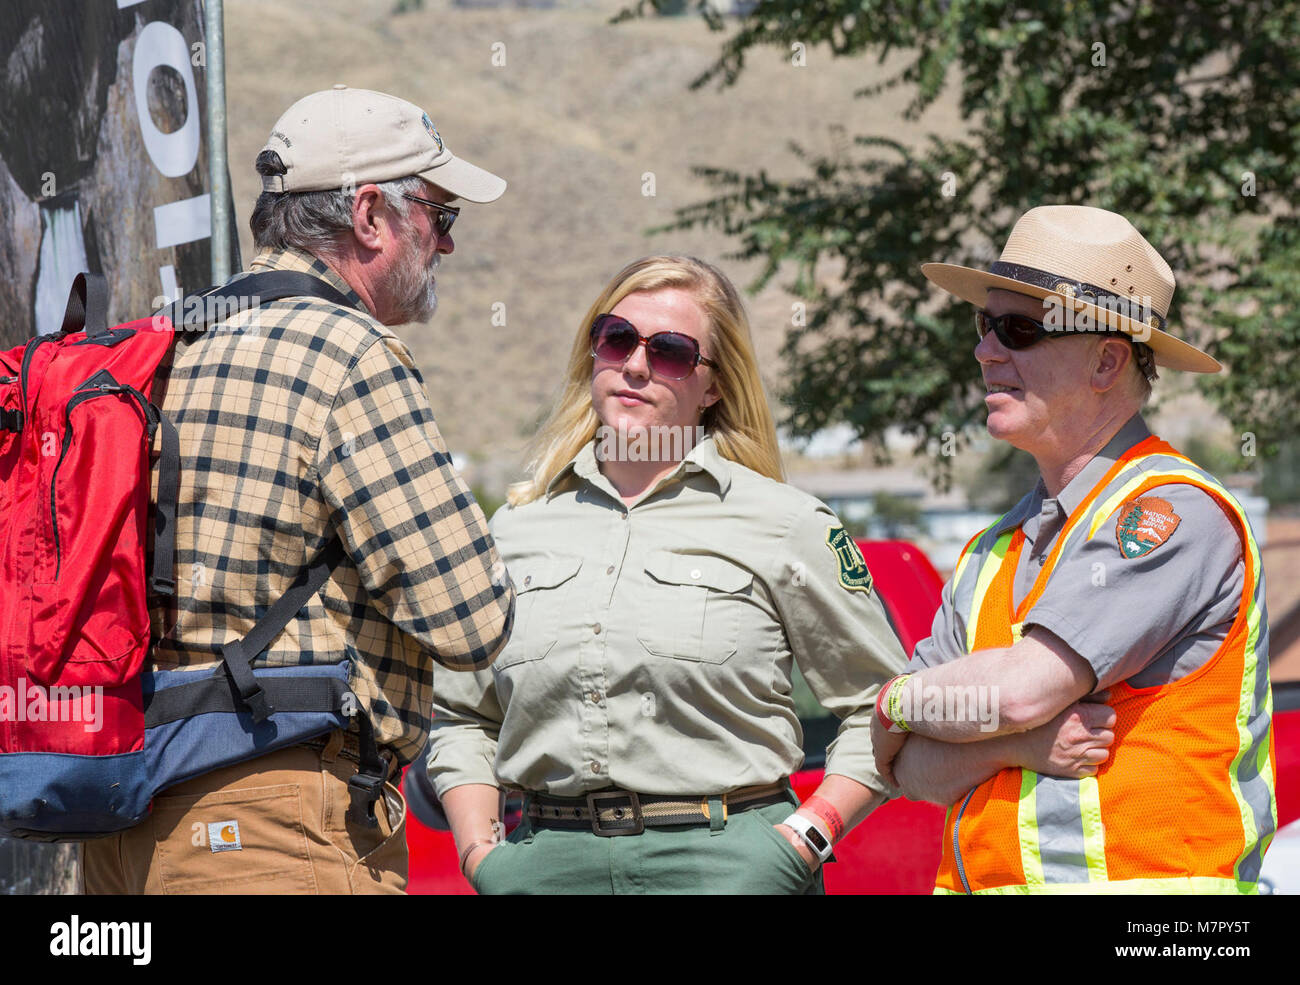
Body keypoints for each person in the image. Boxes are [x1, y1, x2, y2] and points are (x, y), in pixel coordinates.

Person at [82, 87, 515, 894]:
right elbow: (472, 620)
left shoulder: (157, 341)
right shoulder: (352, 354)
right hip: (278, 831)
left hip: (118, 820)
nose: (446, 246)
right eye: (440, 217)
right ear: (369, 215)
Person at [427, 255, 909, 895]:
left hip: (731, 868)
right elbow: (462, 718)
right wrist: (482, 857)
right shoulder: (512, 531)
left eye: (672, 351)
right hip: (543, 867)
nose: (633, 365)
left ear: (713, 385)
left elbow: (882, 705)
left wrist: (800, 844)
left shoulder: (787, 524)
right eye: (617, 338)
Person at [871, 205, 1276, 894]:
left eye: (1019, 329)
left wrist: (889, 702)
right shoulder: (988, 550)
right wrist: (1009, 742)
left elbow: (1023, 689)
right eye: (984, 325)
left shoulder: (1170, 510)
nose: (985, 351)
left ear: (1107, 360)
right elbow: (912, 770)